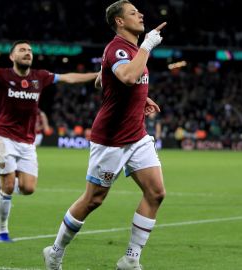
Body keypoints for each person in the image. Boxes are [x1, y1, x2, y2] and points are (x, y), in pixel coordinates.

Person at [43, 1, 166, 269]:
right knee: (93, 199)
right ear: (119, 22)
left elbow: (111, 80)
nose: (141, 14)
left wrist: (144, 99)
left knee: (156, 193)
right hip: (111, 139)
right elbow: (127, 77)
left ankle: (130, 259)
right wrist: (147, 46)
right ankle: (54, 251)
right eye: (133, 12)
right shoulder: (118, 48)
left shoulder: (129, 50)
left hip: (137, 135)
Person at [0, 40, 98, 242]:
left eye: (30, 50)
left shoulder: (40, 77)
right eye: (22, 50)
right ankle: (2, 231)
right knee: (9, 185)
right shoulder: (3, 75)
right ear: (12, 56)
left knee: (28, 188)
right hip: (4, 137)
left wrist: (97, 75)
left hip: (27, 141)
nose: (27, 53)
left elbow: (70, 78)